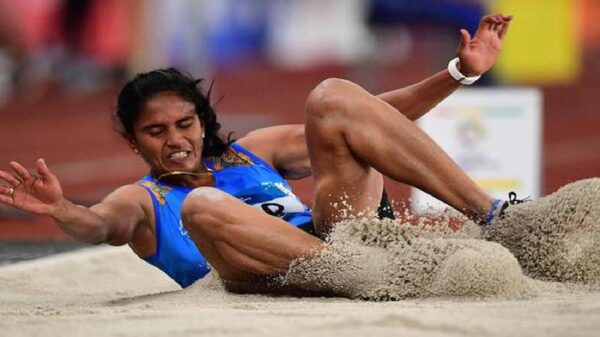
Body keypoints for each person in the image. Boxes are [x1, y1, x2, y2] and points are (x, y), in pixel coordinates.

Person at [0, 14, 513, 288]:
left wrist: (458, 73)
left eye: (184, 124)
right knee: (202, 206)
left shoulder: (249, 153)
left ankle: (492, 213)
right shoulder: (141, 202)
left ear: (203, 124)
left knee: (334, 96)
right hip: (262, 278)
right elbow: (99, 226)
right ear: (134, 142)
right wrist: (62, 210)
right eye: (155, 132)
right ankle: (357, 271)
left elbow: (366, 117)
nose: (175, 140)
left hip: (338, 245)